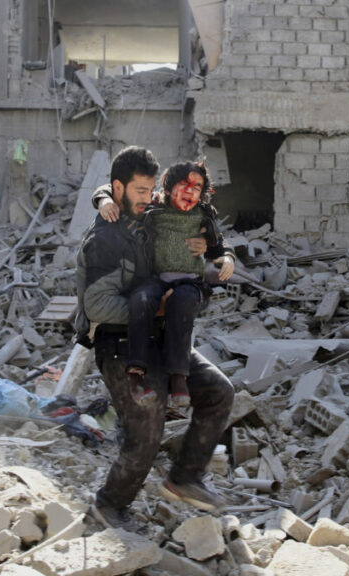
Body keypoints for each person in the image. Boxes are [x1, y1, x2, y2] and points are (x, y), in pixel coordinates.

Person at [75, 146, 236, 530]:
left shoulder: (148, 217)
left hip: (161, 338)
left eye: (151, 191)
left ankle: (184, 477)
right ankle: (107, 508)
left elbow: (203, 235)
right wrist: (158, 311)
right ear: (119, 189)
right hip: (119, 346)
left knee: (218, 392)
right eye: (140, 192)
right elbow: (97, 306)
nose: (149, 199)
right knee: (147, 428)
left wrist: (214, 255)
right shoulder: (104, 241)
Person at [123, 161, 233, 408]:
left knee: (181, 302)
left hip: (190, 282)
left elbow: (220, 245)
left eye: (197, 187)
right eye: (184, 184)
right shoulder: (152, 209)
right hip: (155, 279)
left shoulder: (204, 214)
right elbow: (117, 196)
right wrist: (104, 200)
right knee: (140, 300)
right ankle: (135, 373)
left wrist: (227, 257)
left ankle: (179, 376)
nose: (190, 191)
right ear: (169, 186)